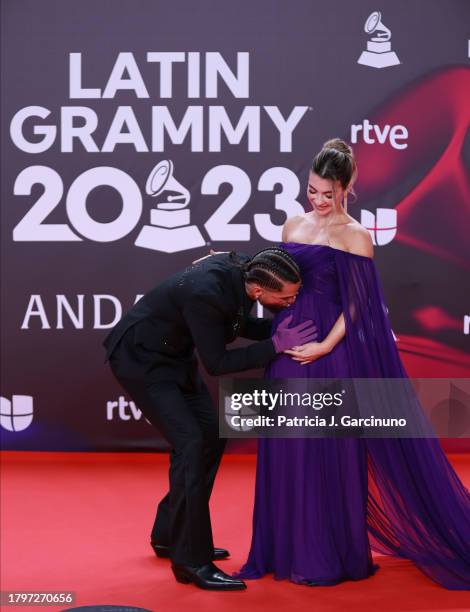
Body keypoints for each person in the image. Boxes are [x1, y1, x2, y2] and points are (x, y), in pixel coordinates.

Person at [235, 139, 470, 589]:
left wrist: (325, 346)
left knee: (328, 448)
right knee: (288, 445)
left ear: (346, 188)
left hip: (332, 352)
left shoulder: (356, 236)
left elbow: (360, 304)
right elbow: (279, 284)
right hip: (288, 347)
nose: (319, 201)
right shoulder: (292, 227)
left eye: (328, 193)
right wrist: (282, 339)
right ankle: (284, 549)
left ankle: (329, 554)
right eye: (312, 191)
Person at [103, 248, 317, 590]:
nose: (291, 301)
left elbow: (236, 323)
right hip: (141, 361)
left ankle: (170, 535)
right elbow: (217, 363)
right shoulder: (207, 293)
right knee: (190, 444)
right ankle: (191, 560)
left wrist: (281, 327)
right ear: (260, 292)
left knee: (213, 434)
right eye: (286, 298)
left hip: (175, 356)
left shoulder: (249, 272)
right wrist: (276, 344)